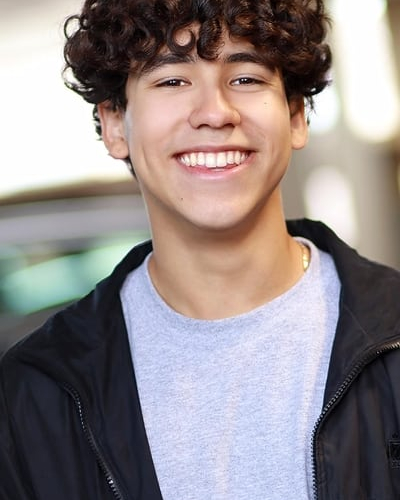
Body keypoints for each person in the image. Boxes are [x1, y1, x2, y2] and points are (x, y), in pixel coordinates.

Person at [1, 0, 400, 498]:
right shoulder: (33, 393)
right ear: (115, 123)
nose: (215, 113)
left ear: (296, 115)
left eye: (246, 78)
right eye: (172, 81)